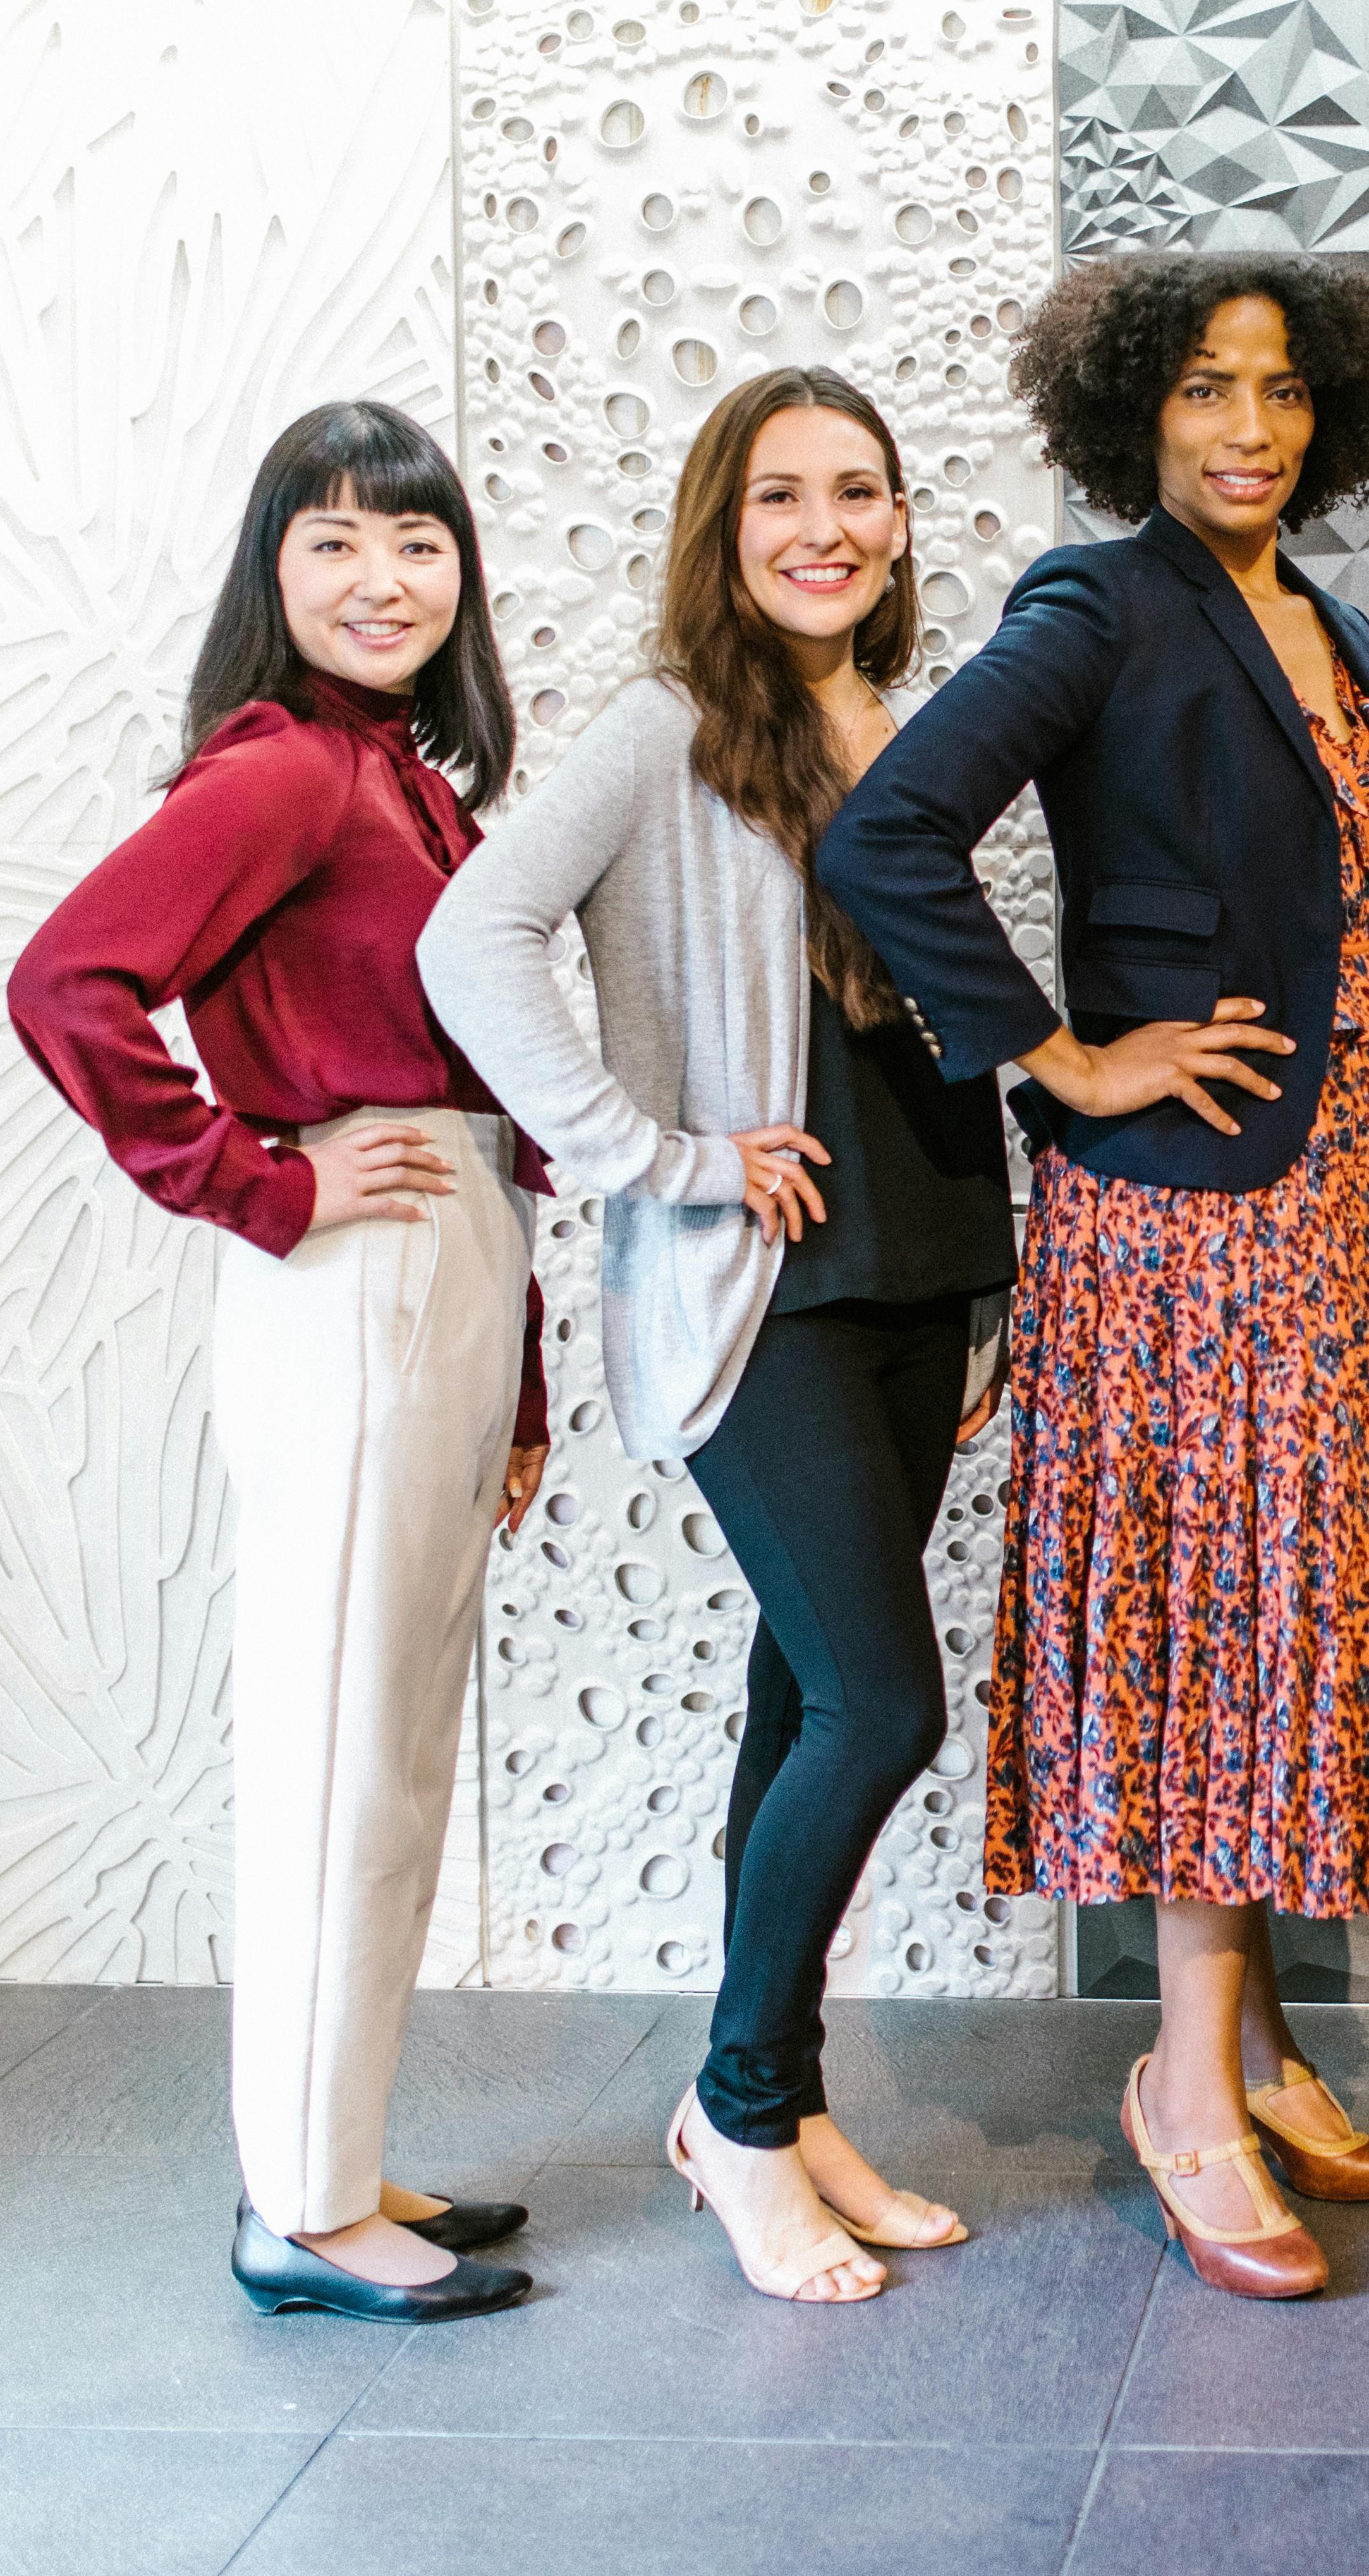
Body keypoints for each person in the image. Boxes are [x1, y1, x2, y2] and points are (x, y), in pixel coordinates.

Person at [817, 252, 1369, 2302]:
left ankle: (1245, 2043)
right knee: (1218, 1626)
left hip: (1335, 1207)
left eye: (1278, 390)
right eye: (1203, 390)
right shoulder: (1100, 604)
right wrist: (1059, 1051)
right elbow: (890, 833)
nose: (1246, 427)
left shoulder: (1320, 619)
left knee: (1280, 1617)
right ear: (1134, 414)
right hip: (1188, 1222)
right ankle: (1181, 2088)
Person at [420, 368, 1012, 2306]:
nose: (824, 526)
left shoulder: (902, 727)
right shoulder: (671, 733)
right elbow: (473, 936)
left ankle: (782, 2096)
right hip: (766, 1291)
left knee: (797, 1693)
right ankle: (741, 2114)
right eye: (782, 496)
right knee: (880, 1706)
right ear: (723, 525)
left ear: (905, 524)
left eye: (860, 492)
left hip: (920, 1268)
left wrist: (1000, 1267)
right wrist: (640, 1155)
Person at [6, 401, 547, 2324]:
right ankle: (300, 2209)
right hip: (361, 1277)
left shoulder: (396, 776)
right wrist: (244, 1177)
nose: (382, 579)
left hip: (440, 1264)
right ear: (271, 579)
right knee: (341, 1744)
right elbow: (67, 983)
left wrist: (526, 1372)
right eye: (331, 544)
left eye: (416, 543)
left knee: (392, 1740)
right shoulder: (287, 775)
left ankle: (337, 2151)